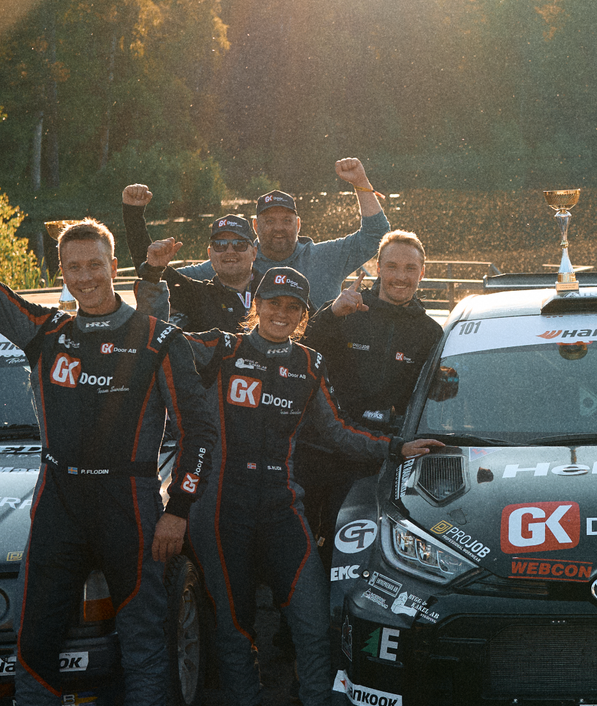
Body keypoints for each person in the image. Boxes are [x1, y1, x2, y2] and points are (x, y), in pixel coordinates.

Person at [0, 160, 215, 706]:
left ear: (114, 266)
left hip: (131, 505)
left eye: (95, 265)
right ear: (62, 272)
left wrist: (179, 510)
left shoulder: (158, 338)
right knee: (35, 638)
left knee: (143, 637)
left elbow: (200, 433)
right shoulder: (45, 332)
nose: (85, 277)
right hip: (59, 501)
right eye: (73, 267)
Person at [180, 266, 444, 706]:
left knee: (311, 617)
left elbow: (339, 431)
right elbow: (155, 339)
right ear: (257, 306)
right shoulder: (221, 348)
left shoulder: (310, 363)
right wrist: (151, 275)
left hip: (281, 503)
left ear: (303, 316)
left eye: (292, 307)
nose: (281, 313)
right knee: (235, 625)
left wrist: (395, 448)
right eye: (273, 303)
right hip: (221, 508)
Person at [299, 231, 445, 561]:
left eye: (410, 268)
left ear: (422, 273)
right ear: (378, 268)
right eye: (392, 267)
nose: (400, 277)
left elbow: (436, 395)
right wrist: (330, 314)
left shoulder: (430, 332)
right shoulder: (347, 309)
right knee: (305, 547)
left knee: (361, 551)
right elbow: (300, 353)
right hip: (323, 449)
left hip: (381, 457)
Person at [156, 160, 389, 309]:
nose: (279, 228)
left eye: (286, 221)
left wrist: (360, 182)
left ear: (298, 224)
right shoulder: (236, 262)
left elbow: (377, 235)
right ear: (255, 226)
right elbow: (162, 278)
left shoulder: (325, 256)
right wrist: (155, 258)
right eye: (269, 221)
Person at [137, 214, 259, 334]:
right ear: (209, 254)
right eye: (220, 245)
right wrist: (134, 212)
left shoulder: (268, 287)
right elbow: (150, 265)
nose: (230, 251)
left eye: (239, 244)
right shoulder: (197, 296)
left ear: (254, 253)